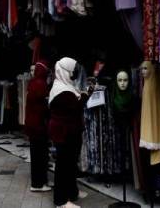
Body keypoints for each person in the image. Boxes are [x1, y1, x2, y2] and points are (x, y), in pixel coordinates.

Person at [48, 57, 94, 208]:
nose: (74, 74)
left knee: (70, 163)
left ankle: (72, 192)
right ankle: (61, 200)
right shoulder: (62, 91)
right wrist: (88, 93)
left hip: (69, 132)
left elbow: (73, 103)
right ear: (65, 72)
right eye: (72, 71)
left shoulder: (65, 87)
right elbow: (76, 107)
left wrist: (83, 94)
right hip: (64, 133)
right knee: (63, 166)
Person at [25, 58, 51, 192]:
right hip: (39, 125)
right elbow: (43, 107)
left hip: (32, 125)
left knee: (36, 155)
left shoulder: (33, 83)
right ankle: (38, 184)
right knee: (40, 155)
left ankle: (38, 182)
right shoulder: (41, 84)